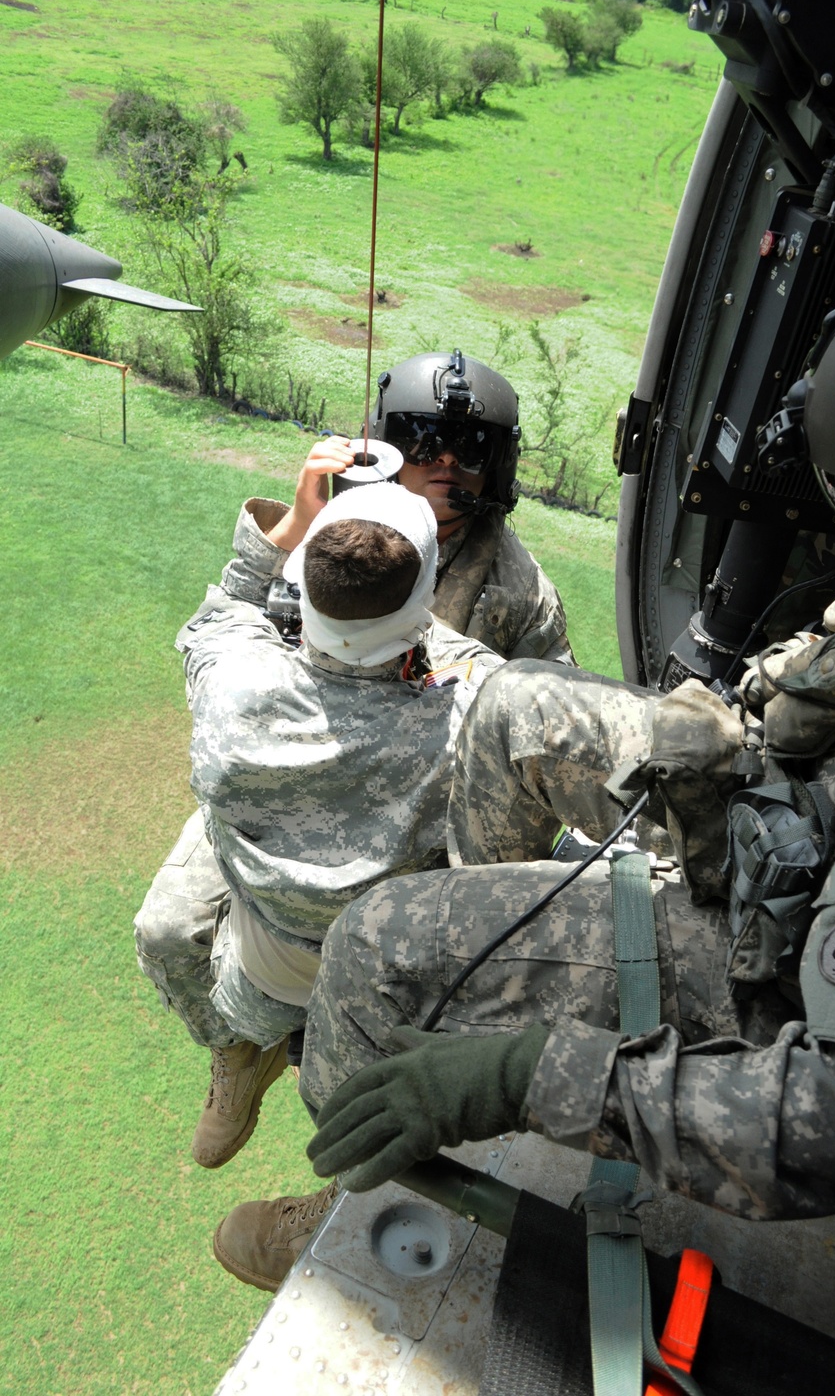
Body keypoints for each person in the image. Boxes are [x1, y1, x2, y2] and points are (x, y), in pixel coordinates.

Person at [215, 245, 835, 1291]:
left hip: (774, 960)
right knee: (507, 707)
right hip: (793, 831)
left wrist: (537, 1071)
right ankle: (477, 968)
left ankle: (362, 1194)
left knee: (371, 946)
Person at [134, 349, 573, 1171]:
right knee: (165, 931)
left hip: (410, 811)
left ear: (496, 463)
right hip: (288, 772)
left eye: (465, 450)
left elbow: (541, 712)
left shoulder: (517, 587)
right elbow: (256, 616)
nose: (443, 467)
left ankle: (318, 1079)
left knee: (401, 999)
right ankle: (237, 1049)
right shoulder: (338, 524)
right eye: (424, 444)